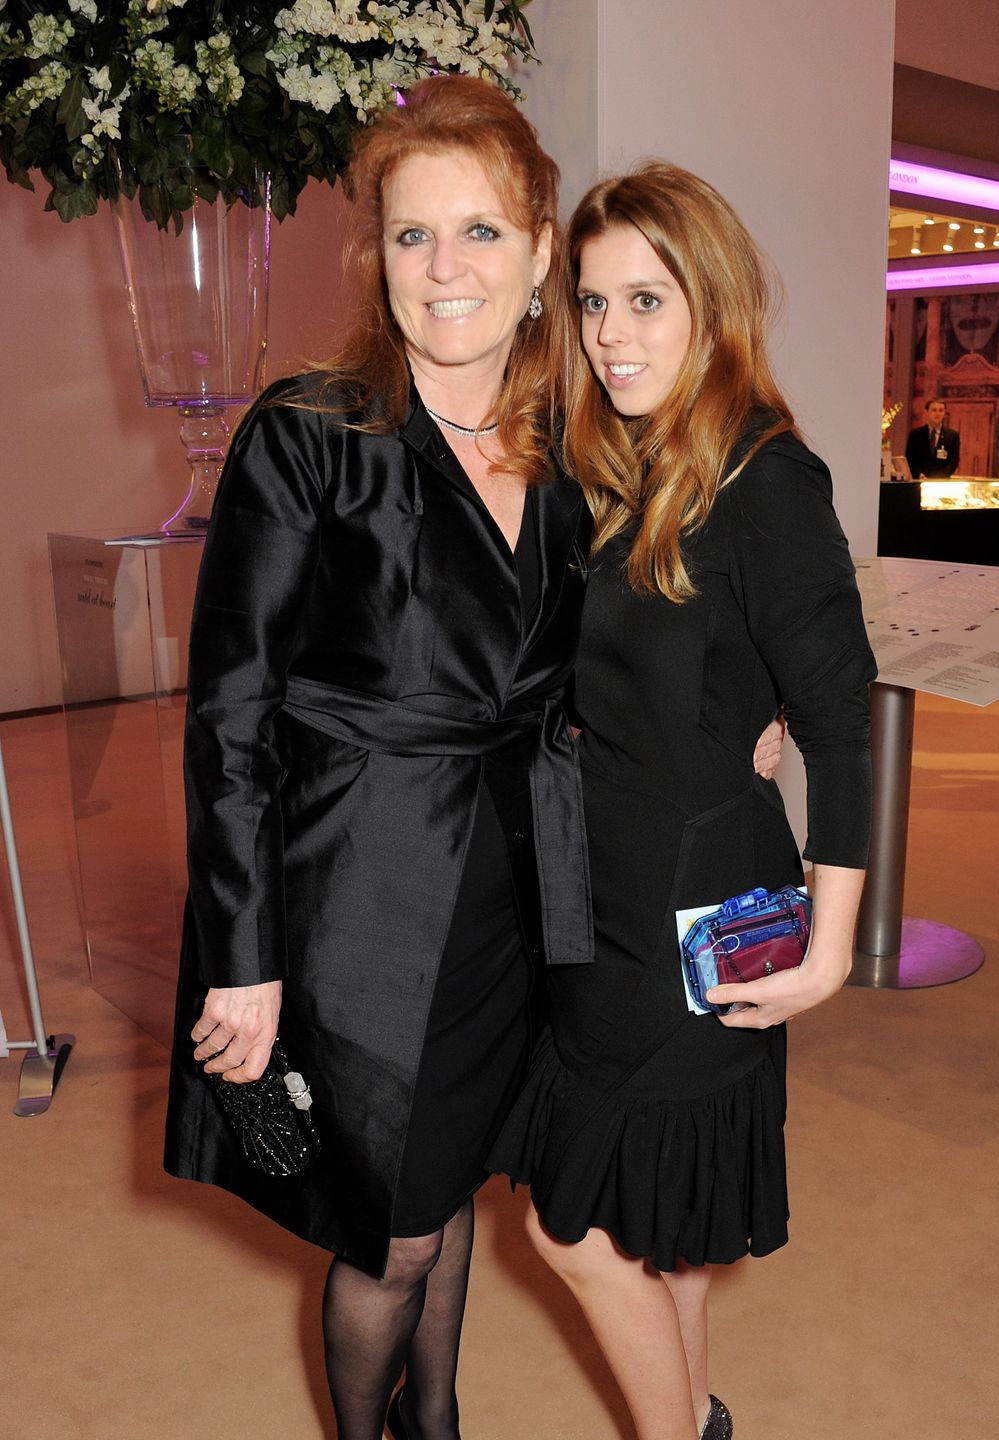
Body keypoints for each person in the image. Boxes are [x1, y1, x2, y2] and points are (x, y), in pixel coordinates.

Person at [162, 75, 591, 1440]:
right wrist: (244, 951)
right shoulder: (311, 436)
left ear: (537, 253)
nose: (445, 268)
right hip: (354, 899)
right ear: (379, 260)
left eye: (479, 232)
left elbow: (612, 658)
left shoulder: (573, 450)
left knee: (448, 1183)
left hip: (514, 888)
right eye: (413, 237)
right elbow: (229, 712)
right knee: (389, 1234)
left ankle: (439, 1422)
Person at [489, 163, 877, 1440]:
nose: (610, 338)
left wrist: (832, 953)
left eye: (645, 302)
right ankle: (695, 1418)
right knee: (660, 1228)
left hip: (696, 920)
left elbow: (841, 721)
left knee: (572, 1225)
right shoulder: (630, 466)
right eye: (593, 305)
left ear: (711, 305)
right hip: (603, 893)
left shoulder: (770, 481)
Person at [905, 395, 960, 478]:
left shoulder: (952, 436)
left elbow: (953, 462)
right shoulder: (915, 435)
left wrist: (939, 478)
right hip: (919, 481)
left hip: (941, 483)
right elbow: (910, 459)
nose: (937, 414)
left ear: (944, 413)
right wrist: (918, 474)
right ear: (927, 412)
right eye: (934, 410)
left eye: (941, 410)